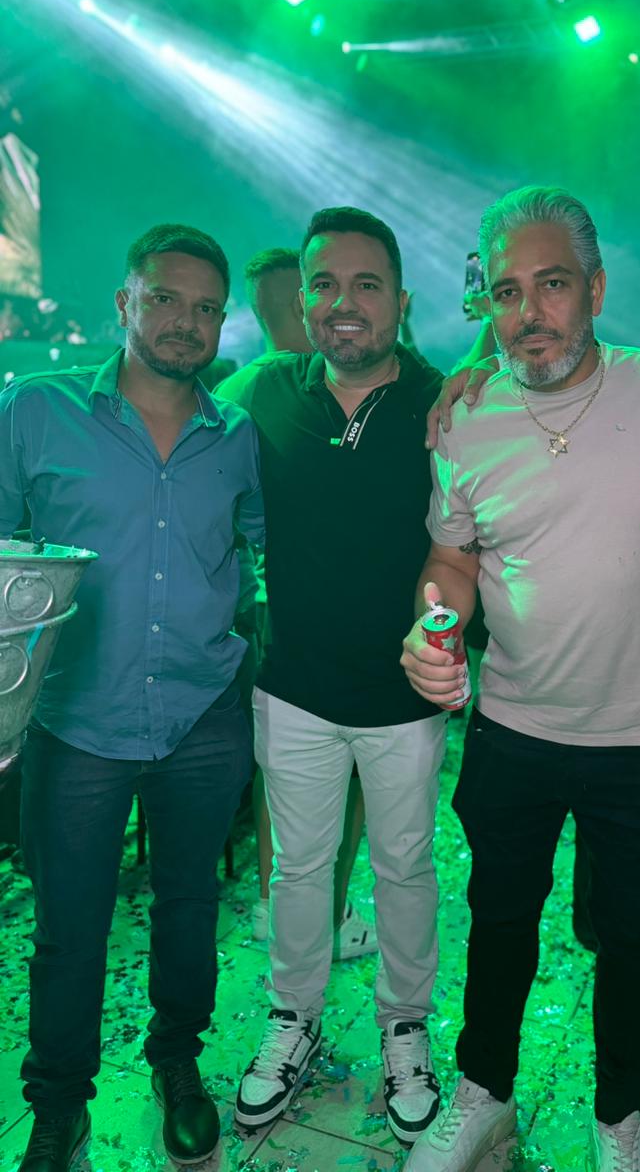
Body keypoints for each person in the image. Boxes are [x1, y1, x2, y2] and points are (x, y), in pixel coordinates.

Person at [400, 186, 640, 1172]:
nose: (530, 312)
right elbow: (454, 558)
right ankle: (484, 1094)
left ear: (595, 289)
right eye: (507, 292)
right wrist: (435, 626)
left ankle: (621, 1116)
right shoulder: (466, 417)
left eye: (553, 284)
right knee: (499, 922)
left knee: (634, 938)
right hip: (515, 728)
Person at [0, 224, 265, 1172]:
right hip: (78, 718)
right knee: (70, 927)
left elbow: (265, 546)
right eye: (165, 299)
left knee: (191, 904)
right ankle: (59, 1104)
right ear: (125, 302)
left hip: (203, 712)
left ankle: (177, 1064)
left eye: (205, 308)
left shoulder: (236, 436)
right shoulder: (36, 411)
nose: (185, 322)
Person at [216, 207, 447, 1146]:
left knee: (405, 868)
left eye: (365, 284)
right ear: (302, 299)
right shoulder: (265, 388)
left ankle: (405, 1029)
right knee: (300, 869)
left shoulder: (446, 399)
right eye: (324, 284)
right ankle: (294, 1018)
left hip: (402, 695)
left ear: (400, 300)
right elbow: (181, 418)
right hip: (295, 689)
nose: (343, 302)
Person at [231, 248, 376, 959]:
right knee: (344, 772)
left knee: (282, 771)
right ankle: (329, 912)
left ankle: (275, 903)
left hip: (266, 613)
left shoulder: (241, 385)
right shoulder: (301, 385)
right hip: (322, 614)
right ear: (301, 301)